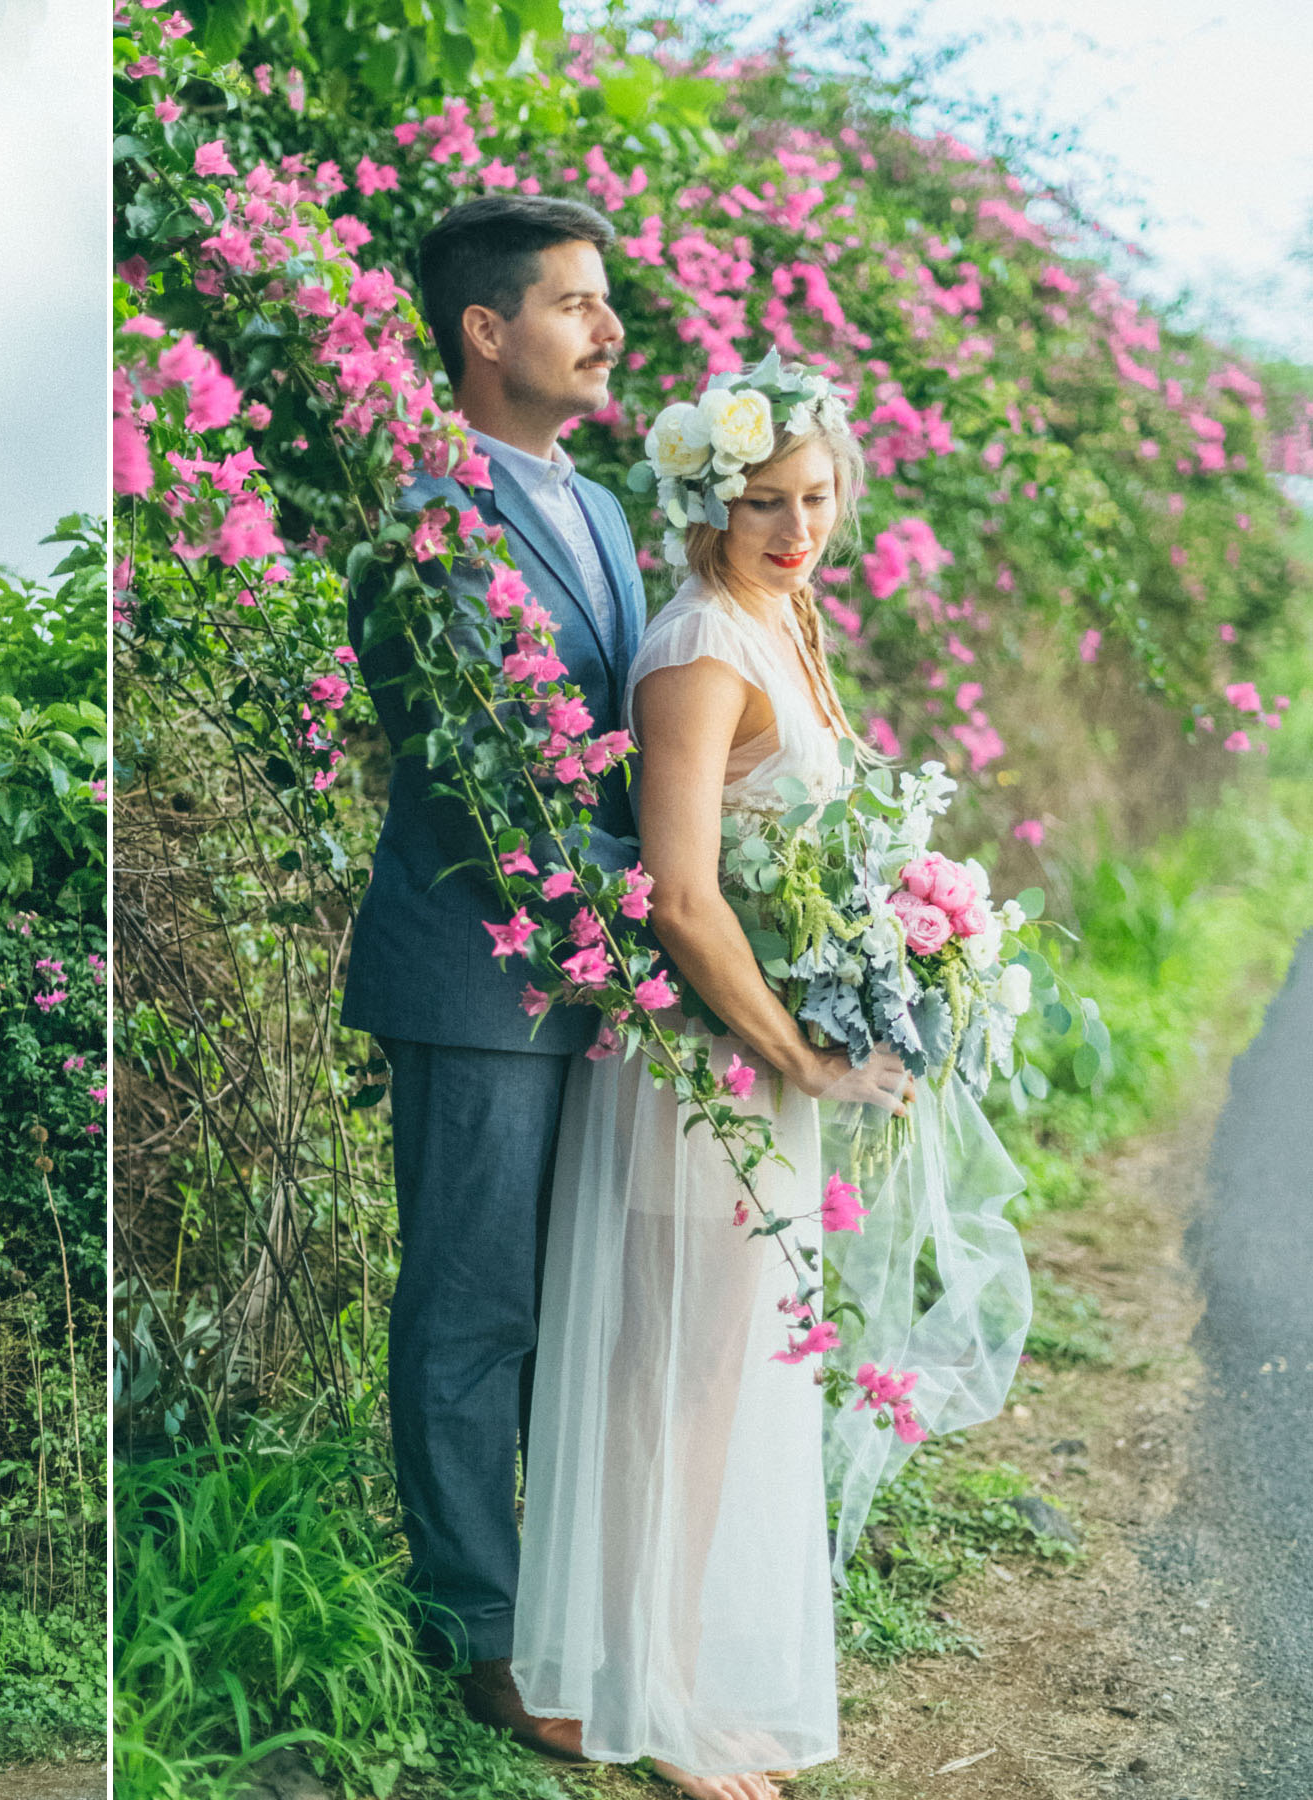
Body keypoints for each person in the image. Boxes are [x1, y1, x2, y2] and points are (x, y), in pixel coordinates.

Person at [511, 367, 914, 1798]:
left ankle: (667, 1663)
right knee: (668, 1383)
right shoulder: (697, 648)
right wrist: (795, 1051)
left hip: (764, 1060)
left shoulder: (787, 619)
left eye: (813, 498)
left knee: (715, 1378)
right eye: (762, 504)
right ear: (704, 502)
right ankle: (647, 1693)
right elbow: (680, 895)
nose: (795, 526)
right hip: (701, 1064)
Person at [339, 192, 646, 1756]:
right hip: (482, 973)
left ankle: (574, 1597)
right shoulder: (420, 520)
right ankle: (475, 1623)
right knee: (471, 1310)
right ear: (483, 329)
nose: (607, 328)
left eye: (604, 302)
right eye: (575, 303)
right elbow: (483, 783)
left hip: (611, 976)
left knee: (583, 1304)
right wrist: (644, 916)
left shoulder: (596, 512)